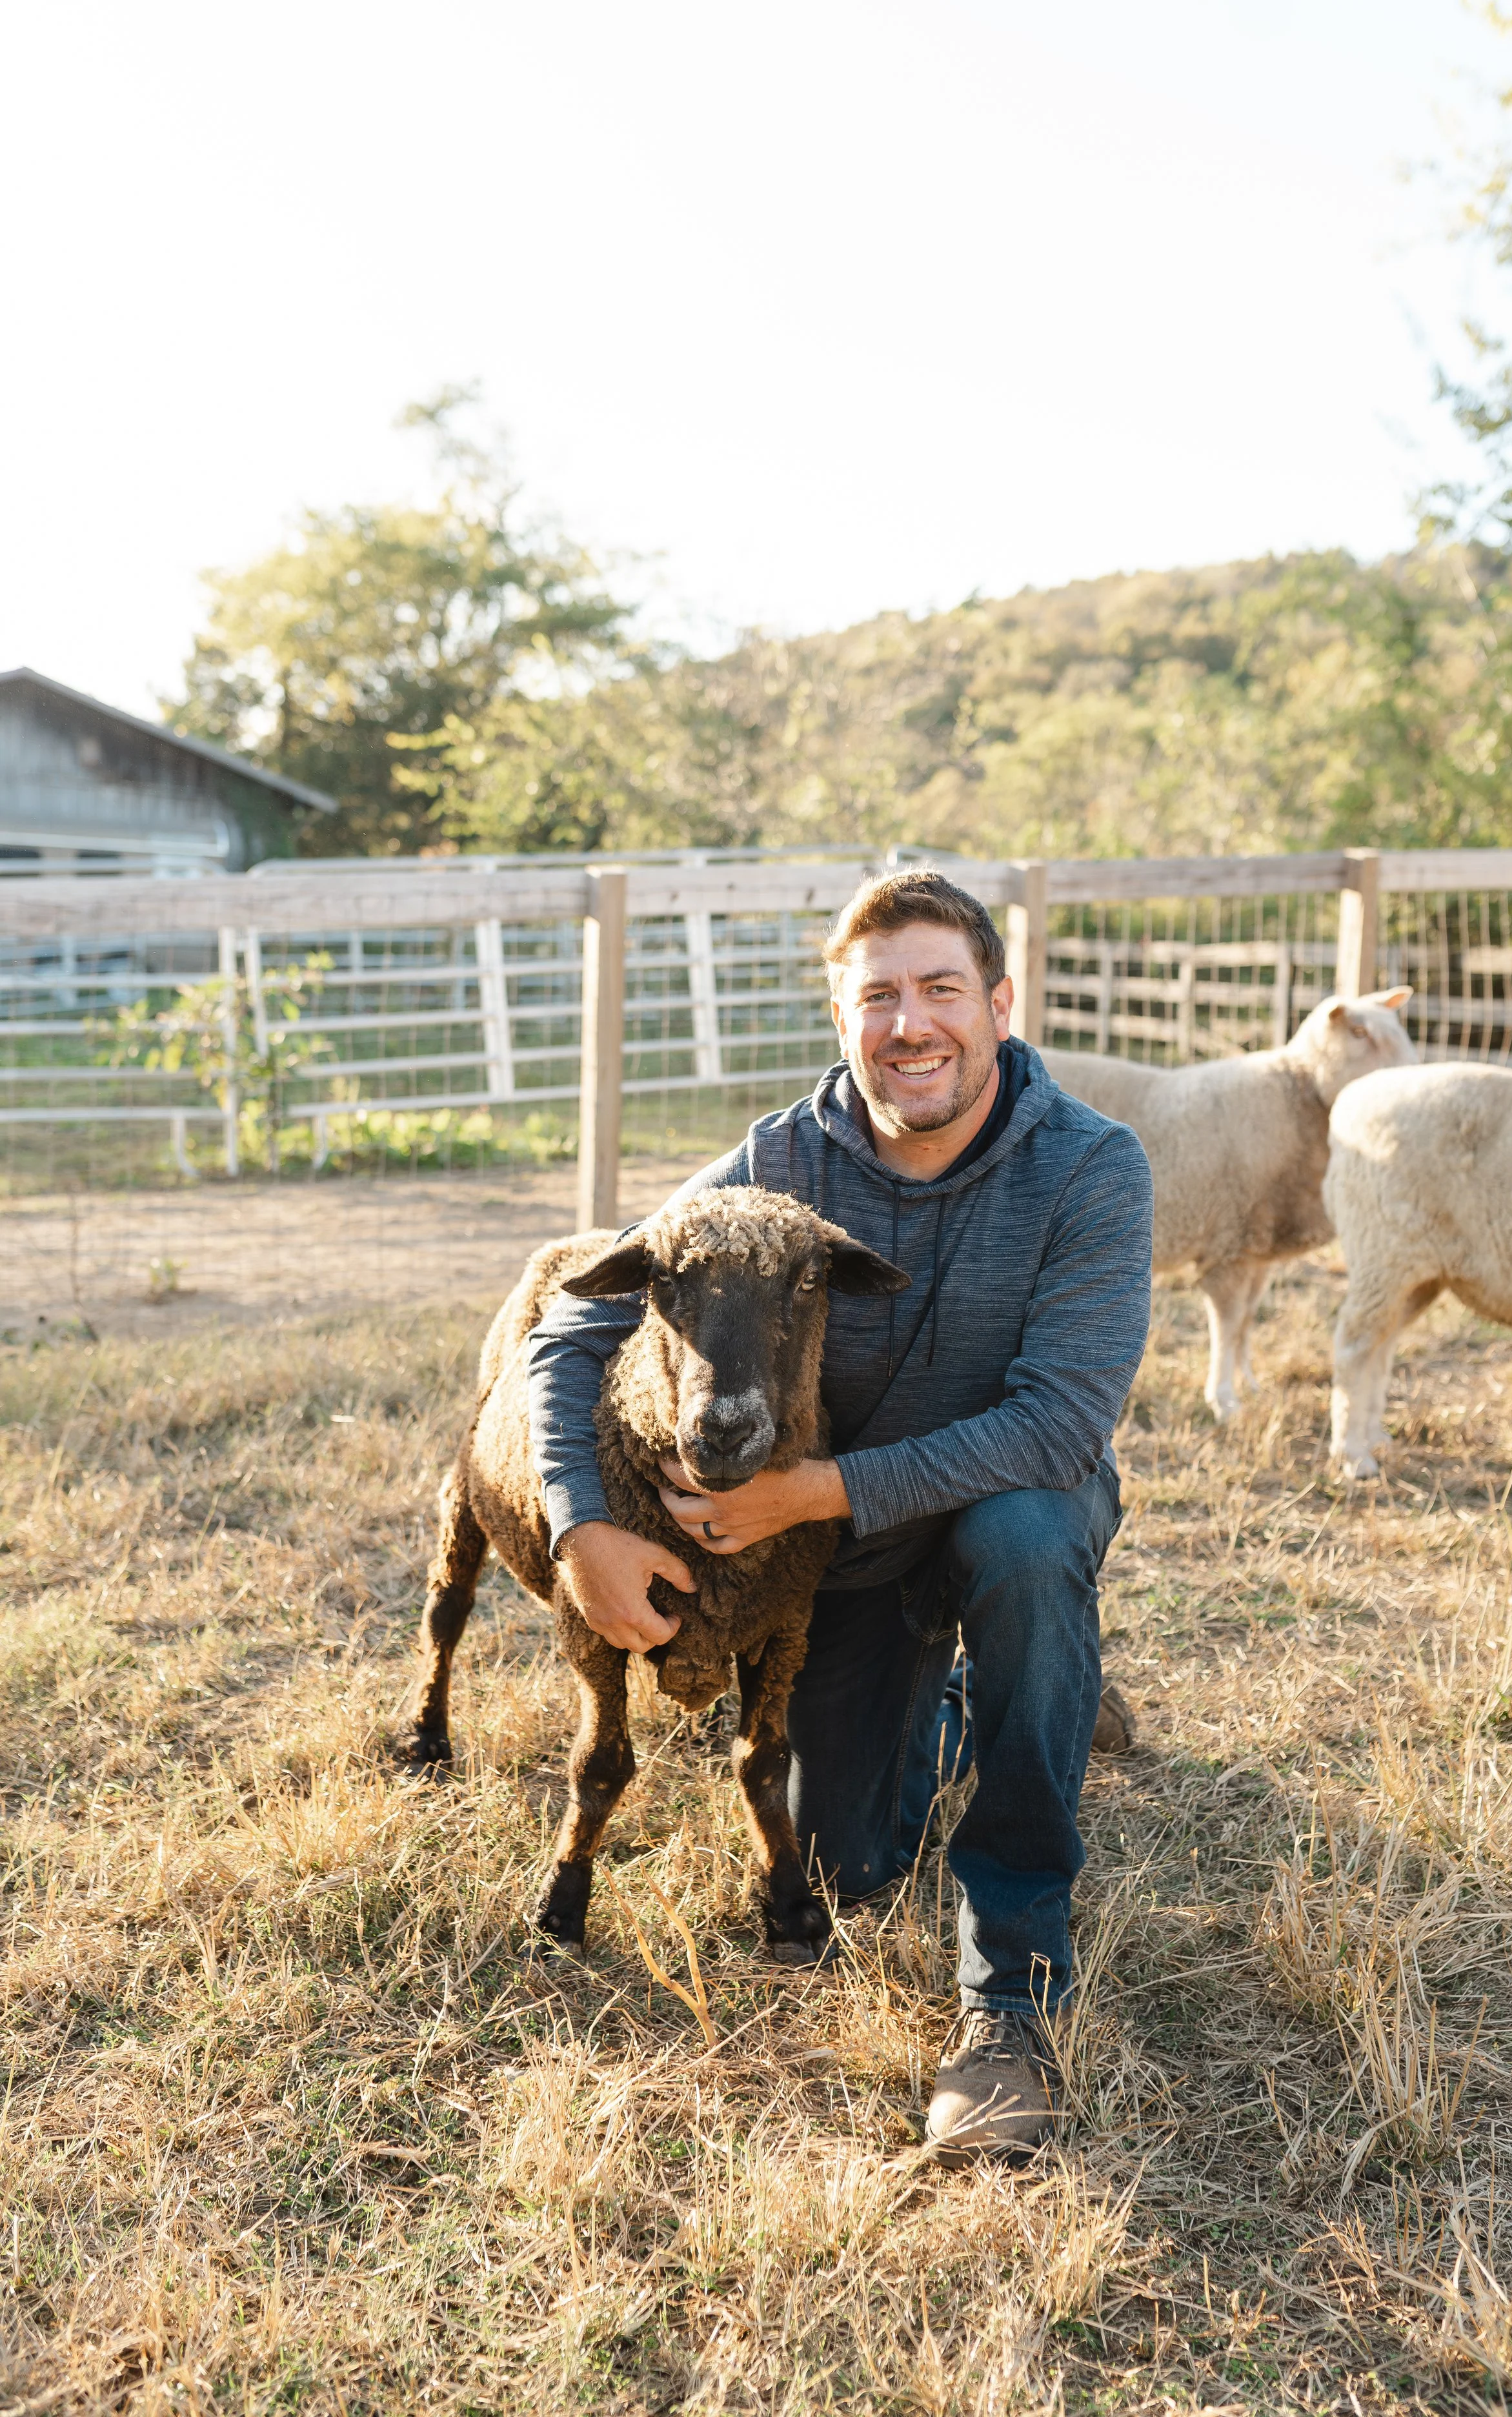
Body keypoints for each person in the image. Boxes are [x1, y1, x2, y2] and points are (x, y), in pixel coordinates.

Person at [529, 868, 1153, 2159]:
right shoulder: (773, 1166)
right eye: (878, 996)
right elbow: (567, 1329)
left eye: (939, 990)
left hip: (991, 1502)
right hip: (841, 1561)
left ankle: (1012, 1999)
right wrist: (579, 1527)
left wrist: (810, 1490)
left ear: (997, 1002)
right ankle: (994, 1702)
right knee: (843, 1871)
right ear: (839, 1014)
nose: (909, 1024)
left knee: (1027, 1548)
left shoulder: (1091, 1169)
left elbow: (1056, 1423)